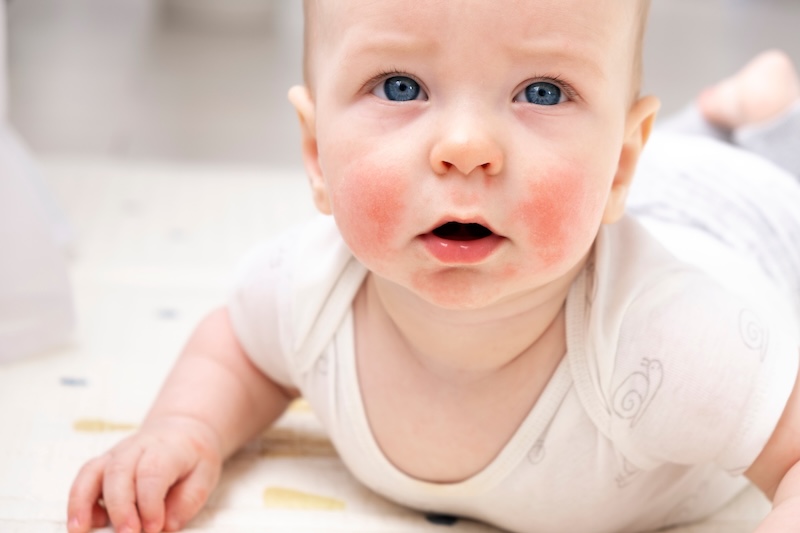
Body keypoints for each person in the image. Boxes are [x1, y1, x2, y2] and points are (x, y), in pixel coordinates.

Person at [67, 1, 800, 531]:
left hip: (740, 219)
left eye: (541, 91)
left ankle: (757, 121)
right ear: (317, 154)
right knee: (657, 163)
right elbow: (238, 348)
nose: (465, 144)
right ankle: (726, 115)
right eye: (400, 86)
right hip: (624, 187)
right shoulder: (311, 291)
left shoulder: (670, 340)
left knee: (756, 164)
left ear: (618, 167)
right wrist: (185, 427)